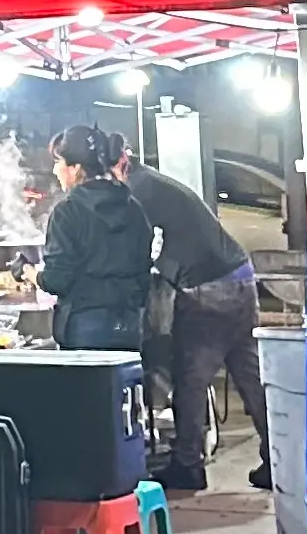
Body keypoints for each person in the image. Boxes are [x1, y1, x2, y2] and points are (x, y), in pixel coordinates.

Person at [117, 139, 271, 494]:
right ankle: (281, 460)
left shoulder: (137, 190)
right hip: (240, 277)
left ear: (120, 163)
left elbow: (132, 249)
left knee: (190, 378)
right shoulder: (152, 182)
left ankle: (187, 464)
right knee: (250, 376)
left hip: (207, 289)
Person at [37, 123, 152, 352]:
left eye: (58, 162)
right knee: (121, 387)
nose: (54, 170)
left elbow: (57, 280)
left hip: (85, 329)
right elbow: (144, 269)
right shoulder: (133, 207)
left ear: (75, 167)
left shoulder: (68, 211)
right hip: (129, 326)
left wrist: (30, 274)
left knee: (88, 389)